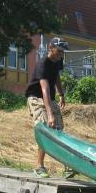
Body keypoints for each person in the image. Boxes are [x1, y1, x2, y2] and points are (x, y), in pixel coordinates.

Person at [24, 37, 73, 178]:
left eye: (63, 52)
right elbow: (44, 89)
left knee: (59, 130)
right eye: (59, 51)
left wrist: (61, 94)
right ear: (50, 48)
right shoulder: (42, 64)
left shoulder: (58, 61)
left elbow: (56, 76)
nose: (61, 55)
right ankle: (39, 166)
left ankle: (67, 167)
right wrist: (50, 114)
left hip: (49, 98)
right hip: (36, 98)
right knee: (45, 127)